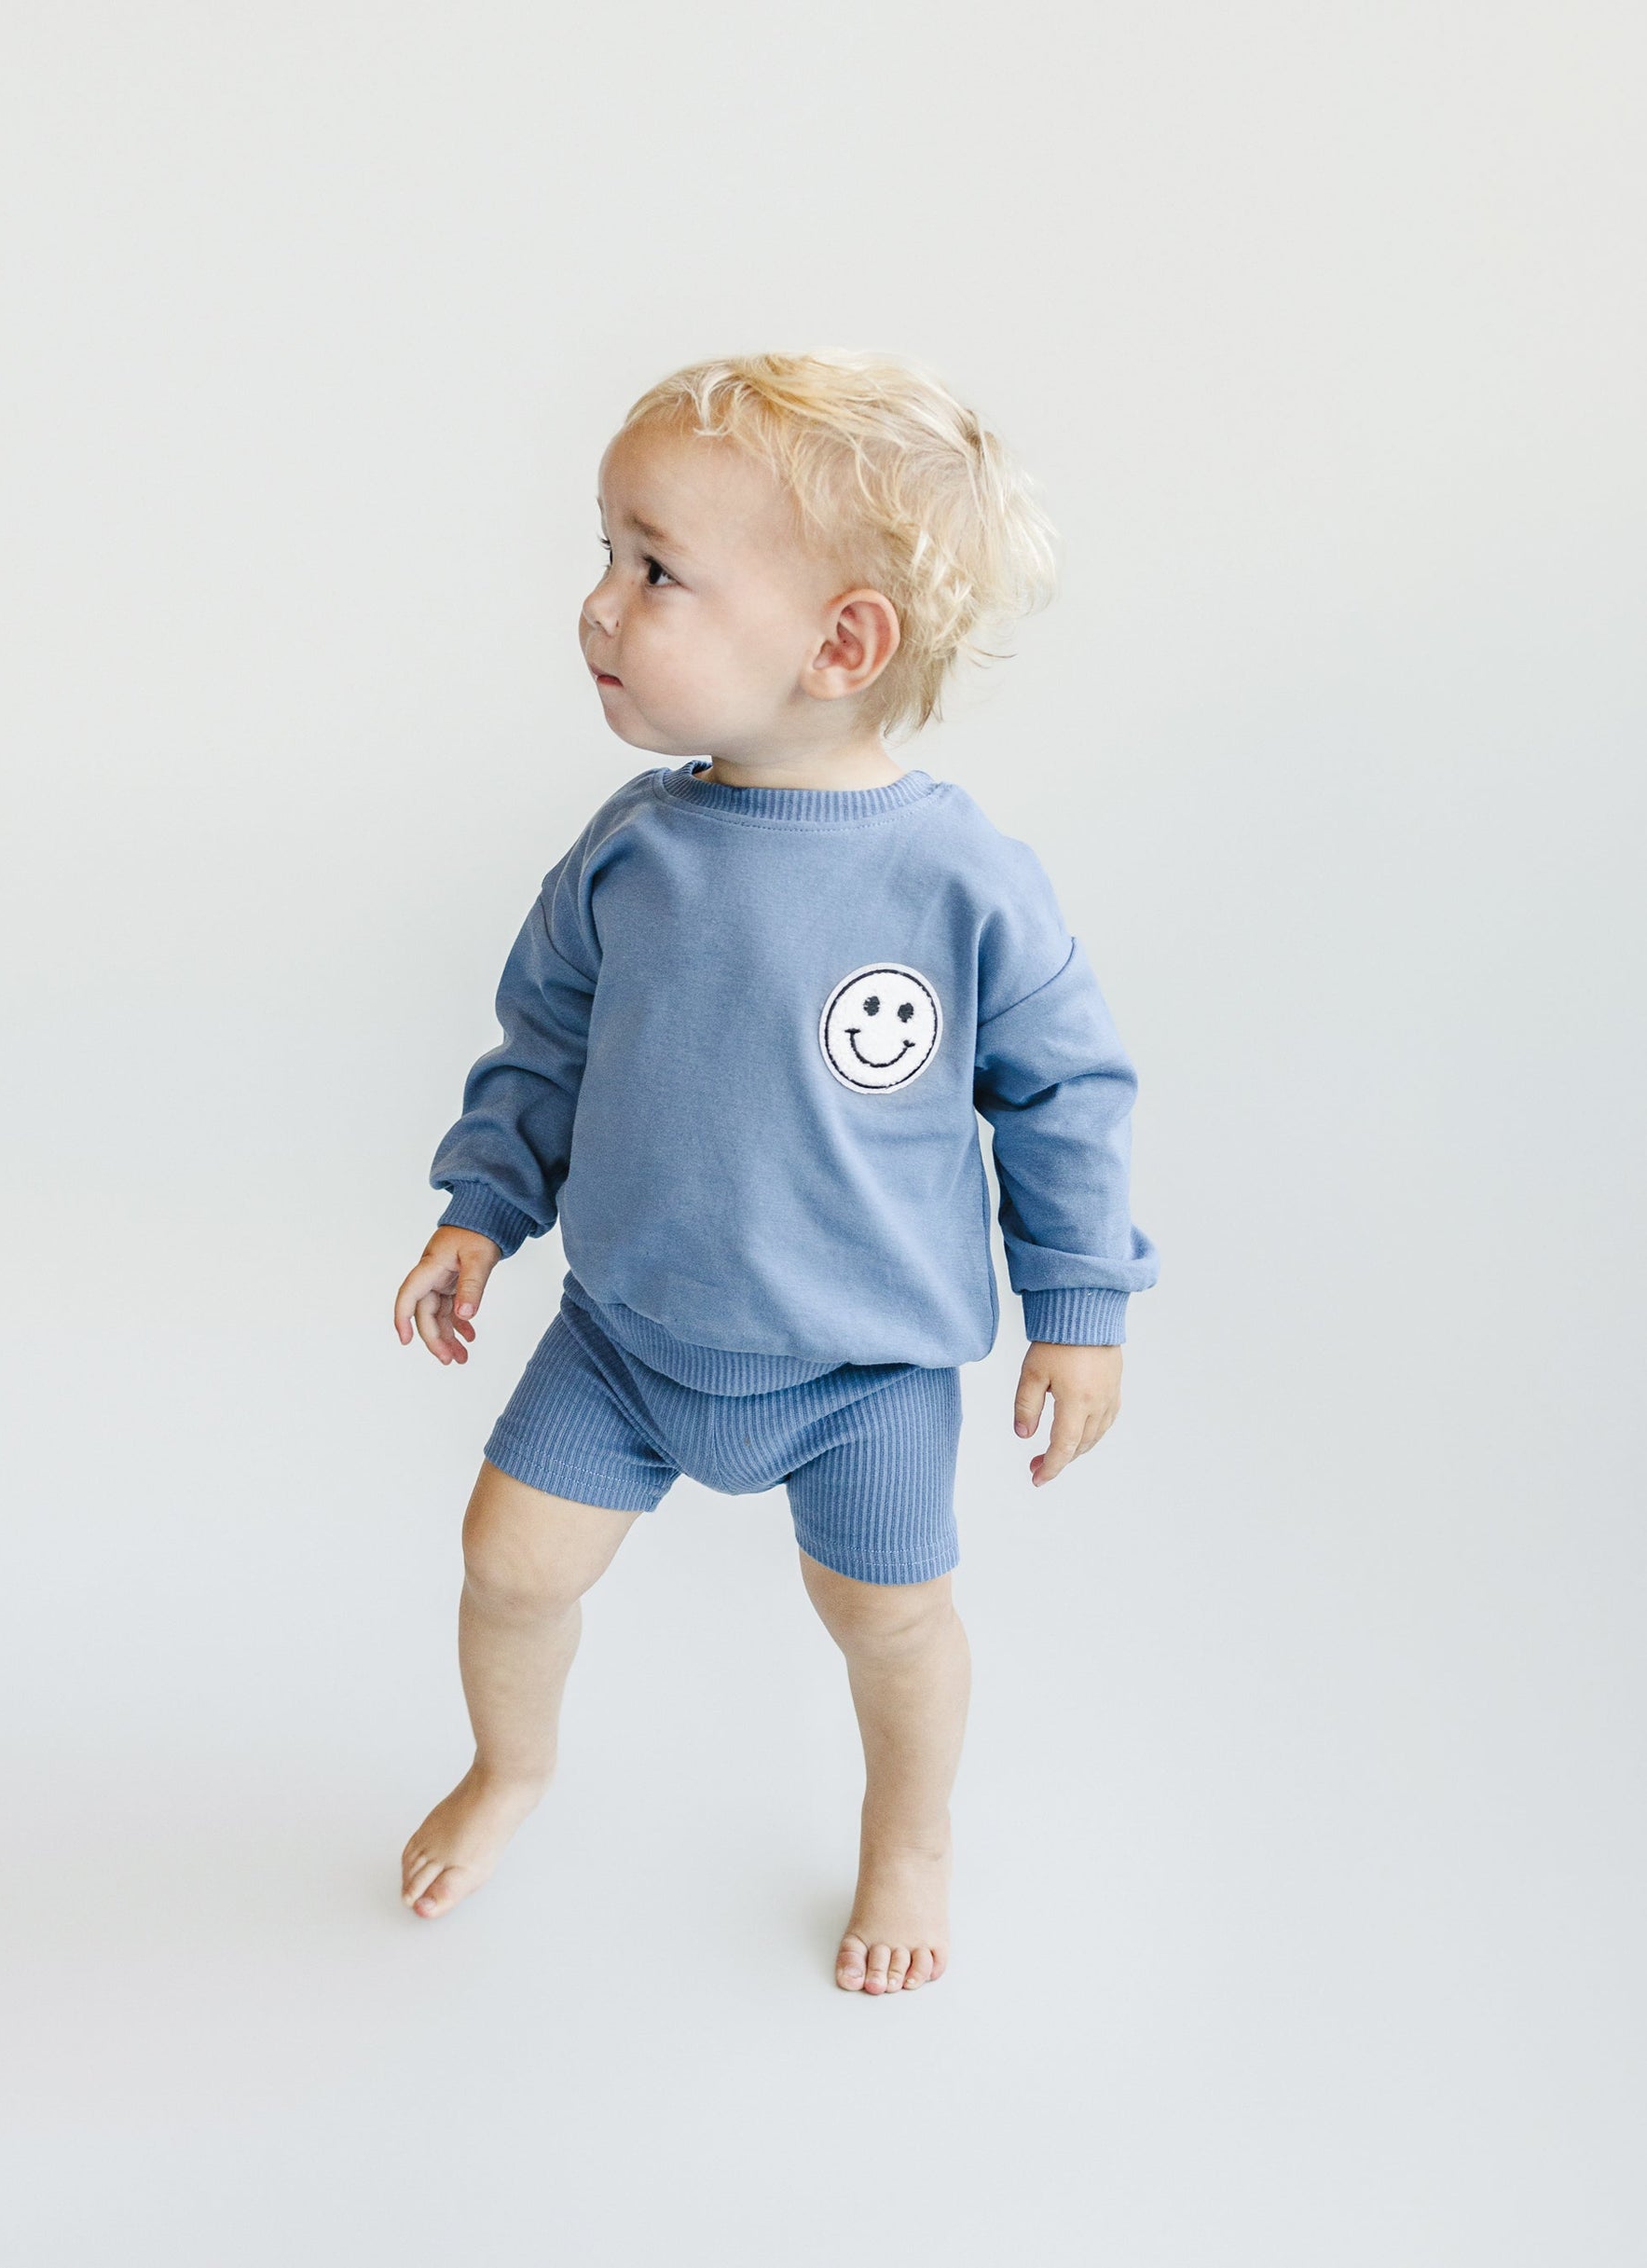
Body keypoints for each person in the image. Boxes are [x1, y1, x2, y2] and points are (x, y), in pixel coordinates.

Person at [392, 349, 1160, 1994]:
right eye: (605, 553)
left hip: (860, 1367)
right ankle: (510, 1766)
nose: (598, 604)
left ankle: (910, 1835)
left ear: (841, 644)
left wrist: (1079, 1306)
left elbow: (1063, 1092)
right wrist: (481, 1206)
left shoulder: (959, 878)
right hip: (627, 1340)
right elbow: (543, 1039)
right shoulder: (630, 849)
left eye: (654, 569)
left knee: (890, 1621)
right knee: (506, 1565)